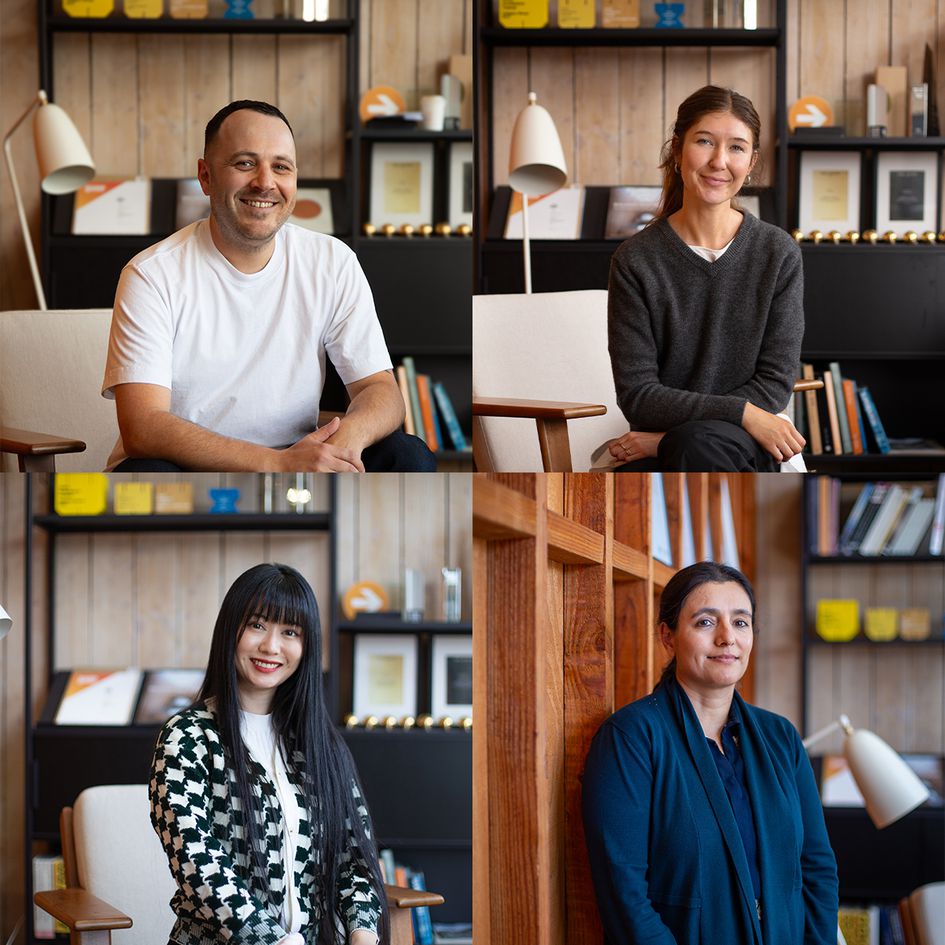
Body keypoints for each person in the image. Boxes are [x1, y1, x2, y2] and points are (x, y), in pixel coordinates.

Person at [102, 100, 435, 473]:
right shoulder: (151, 275)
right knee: (147, 473)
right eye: (245, 163)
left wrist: (339, 447)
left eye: (281, 167)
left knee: (407, 453)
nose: (265, 182)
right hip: (189, 470)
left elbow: (381, 390)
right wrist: (278, 463)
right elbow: (143, 427)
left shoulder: (332, 262)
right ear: (206, 177)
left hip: (298, 468)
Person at [582, 562, 838, 945]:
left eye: (740, 622)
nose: (727, 638)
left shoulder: (781, 738)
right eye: (705, 622)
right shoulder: (631, 739)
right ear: (668, 636)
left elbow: (817, 868)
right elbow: (625, 897)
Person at [149, 563, 387, 945]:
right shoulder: (188, 736)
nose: (271, 647)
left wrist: (362, 933)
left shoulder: (322, 746)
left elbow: (355, 860)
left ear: (306, 646)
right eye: (257, 625)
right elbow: (197, 861)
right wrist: (272, 940)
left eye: (290, 632)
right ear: (230, 630)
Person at [607, 86, 806, 471]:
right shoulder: (636, 260)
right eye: (704, 142)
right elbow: (638, 396)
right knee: (688, 448)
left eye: (736, 147)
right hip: (712, 436)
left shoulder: (778, 252)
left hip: (748, 444)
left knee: (694, 445)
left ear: (751, 162)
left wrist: (665, 440)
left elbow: (775, 382)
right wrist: (742, 412)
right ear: (677, 151)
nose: (719, 161)